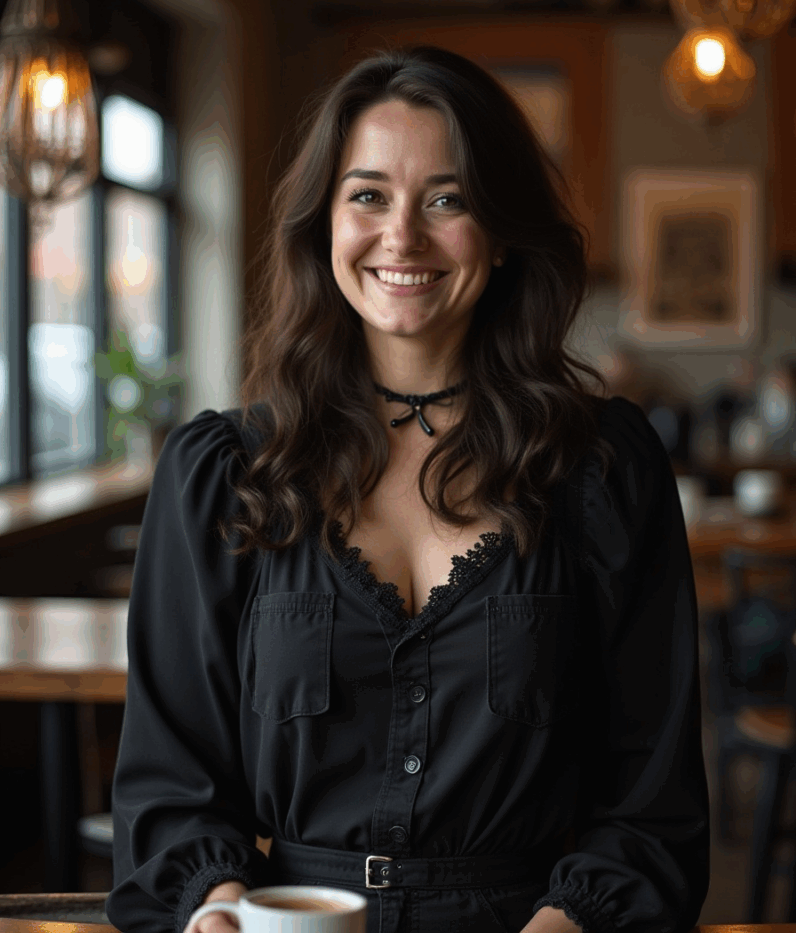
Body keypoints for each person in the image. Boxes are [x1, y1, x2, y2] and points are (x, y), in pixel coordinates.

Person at [107, 45, 710, 933]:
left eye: (447, 199)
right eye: (368, 195)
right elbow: (170, 781)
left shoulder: (605, 470)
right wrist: (217, 908)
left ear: (501, 234)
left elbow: (654, 803)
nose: (403, 237)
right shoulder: (225, 476)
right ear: (323, 225)